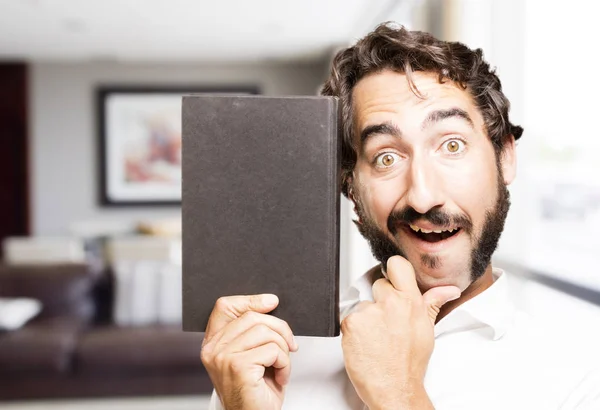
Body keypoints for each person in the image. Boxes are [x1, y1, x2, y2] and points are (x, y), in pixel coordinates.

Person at [200, 23, 600, 409]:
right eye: (386, 157)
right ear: (350, 188)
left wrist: (398, 394)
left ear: (505, 157)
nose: (423, 196)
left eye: (452, 145)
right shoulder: (268, 358)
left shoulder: (578, 377)